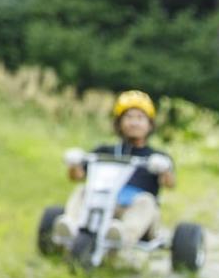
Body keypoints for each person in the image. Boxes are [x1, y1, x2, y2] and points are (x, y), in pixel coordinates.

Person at [53, 89, 176, 247]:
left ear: (149, 124)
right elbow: (76, 176)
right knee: (82, 190)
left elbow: (170, 184)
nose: (134, 123)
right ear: (119, 123)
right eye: (129, 117)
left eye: (140, 118)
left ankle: (122, 236)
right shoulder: (104, 151)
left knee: (147, 201)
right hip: (103, 205)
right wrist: (74, 163)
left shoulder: (156, 156)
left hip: (137, 212)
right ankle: (70, 226)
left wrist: (164, 169)